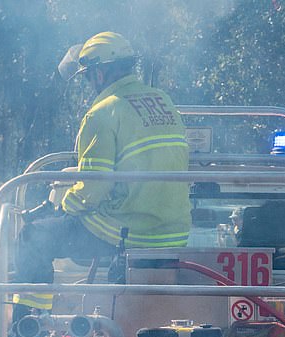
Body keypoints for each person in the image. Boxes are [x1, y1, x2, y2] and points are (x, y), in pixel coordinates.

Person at [13, 32, 191, 319]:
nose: (88, 83)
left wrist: (63, 206)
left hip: (126, 232)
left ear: (100, 73)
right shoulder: (163, 102)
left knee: (33, 237)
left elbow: (94, 187)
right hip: (174, 234)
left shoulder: (102, 113)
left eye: (87, 76)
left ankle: (27, 330)